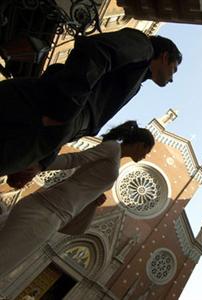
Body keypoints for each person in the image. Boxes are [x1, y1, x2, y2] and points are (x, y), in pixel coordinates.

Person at [0, 27, 181, 185]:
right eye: (174, 69)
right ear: (165, 57)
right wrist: (66, 109)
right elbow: (97, 50)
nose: (172, 78)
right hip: (44, 106)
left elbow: (78, 123)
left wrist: (43, 162)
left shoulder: (137, 80)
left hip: (53, 123)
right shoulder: (144, 46)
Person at [0, 121, 154, 277]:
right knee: (5, 261)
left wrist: (95, 197)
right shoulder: (113, 148)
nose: (144, 156)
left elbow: (84, 178)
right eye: (146, 151)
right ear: (140, 145)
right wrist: (40, 165)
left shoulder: (115, 156)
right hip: (48, 211)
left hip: (53, 211)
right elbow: (75, 159)